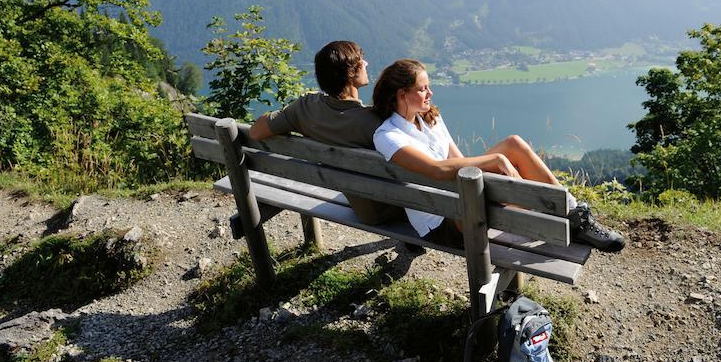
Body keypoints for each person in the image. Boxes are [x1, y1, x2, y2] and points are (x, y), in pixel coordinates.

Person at [371, 59, 626, 252]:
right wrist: (495, 161)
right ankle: (564, 218)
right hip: (441, 222)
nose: (430, 93)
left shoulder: (431, 119)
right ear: (402, 94)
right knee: (505, 162)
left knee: (513, 144)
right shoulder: (388, 136)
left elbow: (459, 160)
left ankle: (573, 214)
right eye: (422, 88)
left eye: (429, 87)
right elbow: (437, 169)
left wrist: (498, 163)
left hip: (462, 201)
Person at [248, 40, 403, 226]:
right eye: (361, 61)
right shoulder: (376, 122)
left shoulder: (305, 108)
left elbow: (256, 132)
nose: (366, 64)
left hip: (363, 209)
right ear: (350, 73)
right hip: (394, 206)